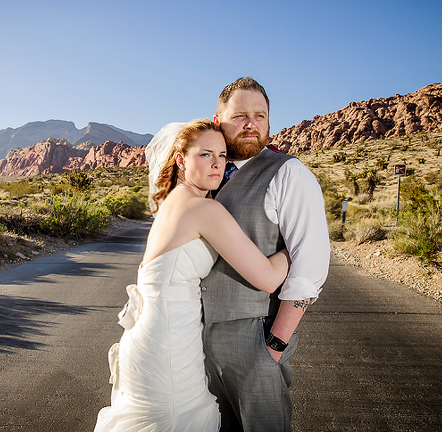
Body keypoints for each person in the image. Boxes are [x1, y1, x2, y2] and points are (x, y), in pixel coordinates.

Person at [94, 119, 291, 432]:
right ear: (181, 160)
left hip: (153, 336)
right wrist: (296, 246)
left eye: (223, 155)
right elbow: (267, 278)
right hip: (169, 345)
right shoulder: (203, 210)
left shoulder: (175, 201)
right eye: (205, 154)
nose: (216, 163)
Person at [201, 77, 331, 432]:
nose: (251, 123)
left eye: (260, 115)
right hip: (193, 339)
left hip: (256, 336)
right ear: (217, 122)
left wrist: (274, 344)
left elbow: (309, 264)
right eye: (240, 114)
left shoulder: (290, 173)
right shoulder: (203, 178)